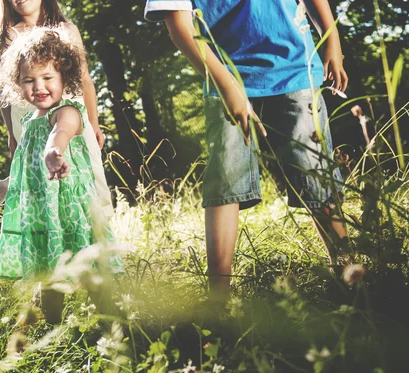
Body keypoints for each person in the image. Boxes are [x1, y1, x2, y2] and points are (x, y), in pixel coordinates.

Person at [144, 0, 349, 300]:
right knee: (225, 179)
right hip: (223, 73)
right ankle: (218, 299)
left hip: (294, 65)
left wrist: (332, 40)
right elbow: (180, 27)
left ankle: (350, 275)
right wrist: (227, 86)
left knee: (316, 175)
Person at [0, 30, 123, 323]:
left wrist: (54, 151)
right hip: (45, 215)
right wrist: (9, 185)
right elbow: (30, 168)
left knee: (90, 270)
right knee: (49, 274)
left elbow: (61, 134)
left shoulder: (67, 111)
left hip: (71, 213)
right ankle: (53, 329)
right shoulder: (28, 120)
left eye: (48, 78)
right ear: (17, 84)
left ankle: (112, 321)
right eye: (29, 80)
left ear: (64, 77)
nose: (39, 87)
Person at [0, 0, 113, 217]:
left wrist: (94, 123)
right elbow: (6, 88)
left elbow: (85, 79)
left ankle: (99, 238)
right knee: (41, 179)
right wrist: (11, 133)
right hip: (29, 118)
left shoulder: (67, 30)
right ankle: (55, 240)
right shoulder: (9, 36)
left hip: (72, 116)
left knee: (86, 174)